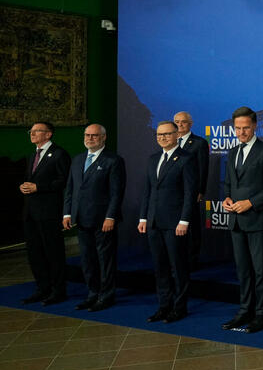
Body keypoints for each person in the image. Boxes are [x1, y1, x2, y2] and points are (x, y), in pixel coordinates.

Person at [221, 107, 263, 333]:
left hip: (259, 219)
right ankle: (245, 310)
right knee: (243, 270)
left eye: (245, 127)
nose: (241, 132)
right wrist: (227, 198)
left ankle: (262, 313)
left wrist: (251, 202)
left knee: (260, 270)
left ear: (255, 126)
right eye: (237, 128)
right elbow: (229, 183)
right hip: (236, 220)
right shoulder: (232, 152)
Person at [62, 124, 126, 311]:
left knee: (105, 259)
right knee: (87, 259)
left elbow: (116, 193)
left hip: (103, 220)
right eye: (87, 135)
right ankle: (92, 293)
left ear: (103, 137)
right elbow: (70, 189)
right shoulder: (78, 159)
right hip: (81, 219)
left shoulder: (113, 161)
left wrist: (110, 216)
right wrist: (67, 213)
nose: (90, 138)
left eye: (94, 135)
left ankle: (106, 295)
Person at [138, 121, 196, 323]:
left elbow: (190, 193)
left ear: (177, 135)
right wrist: (143, 217)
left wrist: (184, 220)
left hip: (175, 223)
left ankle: (179, 308)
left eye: (167, 134)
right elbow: (148, 190)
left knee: (178, 267)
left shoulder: (186, 159)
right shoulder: (153, 159)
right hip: (154, 222)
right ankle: (164, 306)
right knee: (160, 266)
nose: (162, 137)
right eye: (159, 134)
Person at [20, 121, 71, 306]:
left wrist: (38, 187)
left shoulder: (59, 154)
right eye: (31, 131)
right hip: (31, 213)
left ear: (48, 134)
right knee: (35, 253)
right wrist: (25, 186)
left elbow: (64, 181)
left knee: (53, 253)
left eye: (36, 131)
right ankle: (42, 288)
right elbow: (31, 179)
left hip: (49, 212)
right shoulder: (33, 155)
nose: (32, 134)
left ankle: (58, 291)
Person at [174, 111, 210, 268]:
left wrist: (200, 190)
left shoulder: (199, 143)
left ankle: (192, 260)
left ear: (190, 124)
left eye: (183, 122)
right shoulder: (170, 141)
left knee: (192, 226)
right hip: (173, 192)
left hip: (191, 192)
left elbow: (203, 168)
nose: (179, 125)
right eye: (177, 122)